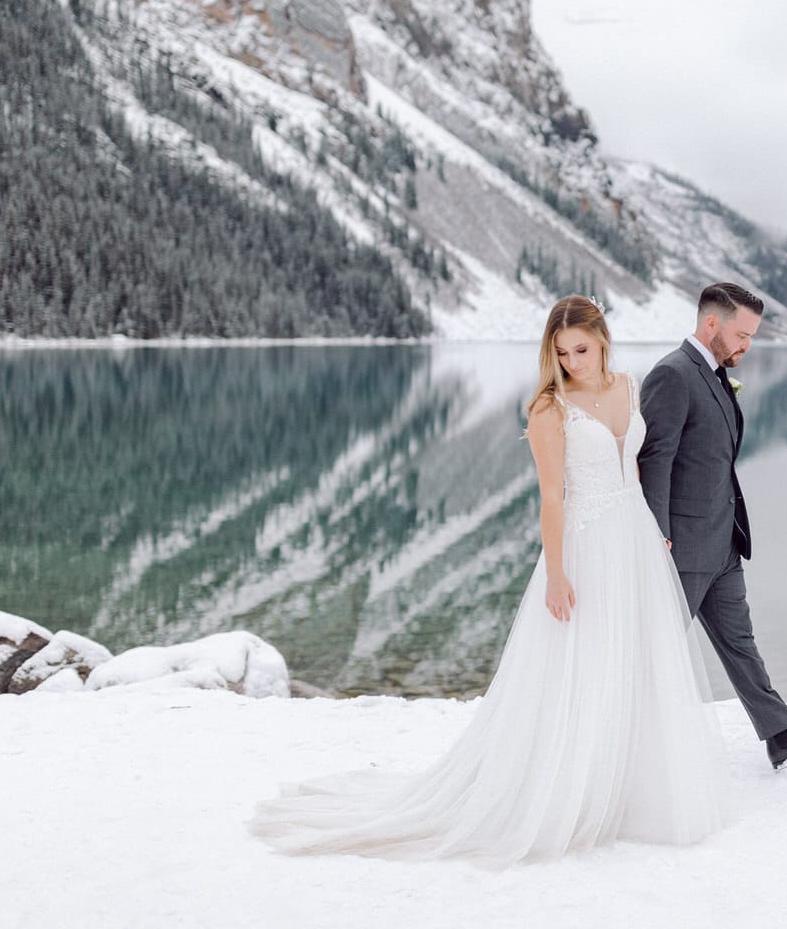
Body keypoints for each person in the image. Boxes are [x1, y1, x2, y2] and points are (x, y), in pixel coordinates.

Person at [250, 296, 726, 865]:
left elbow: (645, 465)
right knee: (581, 664)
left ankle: (626, 787)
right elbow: (553, 498)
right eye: (562, 353)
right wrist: (556, 574)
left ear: (602, 339)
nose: (573, 361)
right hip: (586, 544)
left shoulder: (629, 385)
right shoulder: (550, 410)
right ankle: (568, 790)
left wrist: (661, 529)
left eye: (582, 348)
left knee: (632, 659)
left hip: (637, 538)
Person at [638, 282, 787, 769]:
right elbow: (655, 460)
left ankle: (781, 735)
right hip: (683, 547)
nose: (746, 347)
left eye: (752, 337)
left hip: (723, 540)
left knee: (740, 641)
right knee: (653, 651)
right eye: (743, 335)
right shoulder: (673, 374)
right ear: (711, 324)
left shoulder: (711, 371)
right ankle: (622, 746)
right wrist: (657, 536)